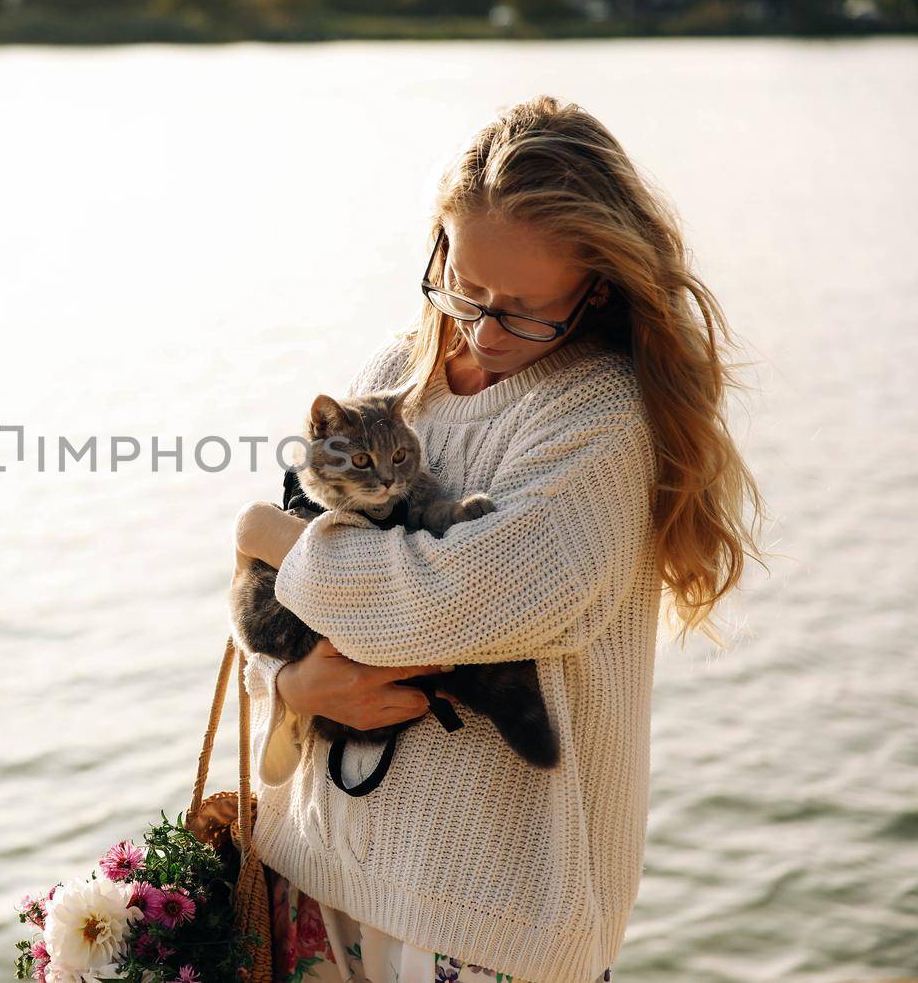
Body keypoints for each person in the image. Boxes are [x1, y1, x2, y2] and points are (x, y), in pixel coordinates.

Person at [231, 95, 763, 983]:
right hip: (312, 870)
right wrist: (289, 680)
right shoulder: (393, 375)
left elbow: (448, 600)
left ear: (597, 284)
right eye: (464, 287)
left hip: (487, 921)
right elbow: (268, 603)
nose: (479, 328)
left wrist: (271, 537)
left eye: (521, 310)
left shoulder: (599, 417)